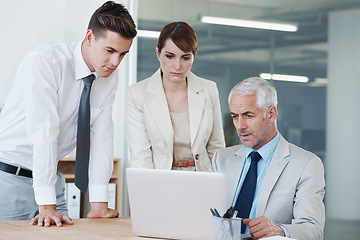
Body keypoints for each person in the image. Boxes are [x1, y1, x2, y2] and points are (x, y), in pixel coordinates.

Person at [0, 1, 137, 226]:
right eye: (110, 51)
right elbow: (45, 133)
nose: (115, 62)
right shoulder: (45, 61)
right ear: (90, 37)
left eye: (123, 54)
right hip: (8, 178)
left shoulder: (108, 77)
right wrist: (46, 207)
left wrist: (99, 204)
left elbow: (102, 137)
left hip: (51, 180)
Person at [209, 77, 325, 240]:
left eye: (248, 115)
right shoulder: (221, 159)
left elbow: (313, 230)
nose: (240, 126)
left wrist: (280, 230)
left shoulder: (306, 164)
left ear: (271, 114)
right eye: (235, 117)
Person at [126, 22, 225, 171]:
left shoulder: (209, 90)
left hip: (203, 179)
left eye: (185, 58)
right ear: (158, 53)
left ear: (194, 57)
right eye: (170, 56)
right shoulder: (138, 94)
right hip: (160, 181)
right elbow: (141, 157)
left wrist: (219, 187)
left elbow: (216, 149)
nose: (177, 66)